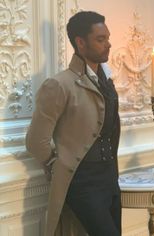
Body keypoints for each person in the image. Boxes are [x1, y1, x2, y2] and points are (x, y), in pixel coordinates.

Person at [26, 11, 121, 236]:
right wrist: (57, 165)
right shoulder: (59, 85)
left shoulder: (106, 82)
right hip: (82, 183)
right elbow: (34, 141)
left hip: (110, 177)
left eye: (107, 38)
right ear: (80, 42)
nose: (108, 44)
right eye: (100, 39)